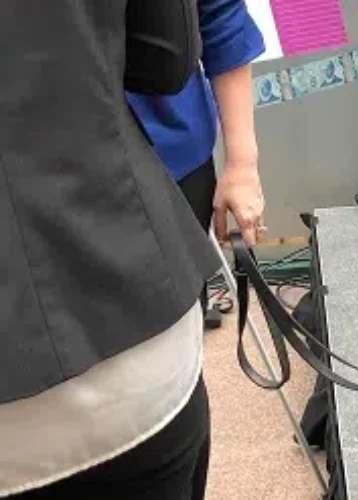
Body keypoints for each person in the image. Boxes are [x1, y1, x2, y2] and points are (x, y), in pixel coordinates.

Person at [0, 1, 245, 498]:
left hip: (151, 203)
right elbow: (164, 54)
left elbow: (212, 23)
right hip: (136, 351)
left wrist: (245, 162)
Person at [127, 0, 267, 322]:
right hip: (37, 173)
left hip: (170, 159)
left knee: (177, 331)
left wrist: (242, 166)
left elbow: (220, 16)